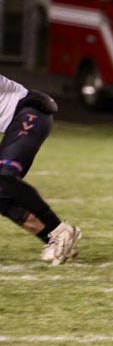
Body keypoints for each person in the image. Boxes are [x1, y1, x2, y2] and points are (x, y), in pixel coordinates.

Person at [0, 75, 81, 264]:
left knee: (4, 175)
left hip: (30, 113)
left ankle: (60, 230)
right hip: (17, 122)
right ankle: (55, 239)